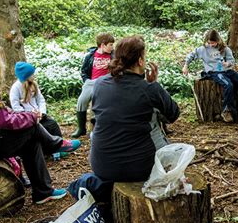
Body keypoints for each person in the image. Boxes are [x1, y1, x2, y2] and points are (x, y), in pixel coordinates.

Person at [0, 43, 81, 204]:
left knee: (31, 140)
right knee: (32, 127)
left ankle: (43, 192)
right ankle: (56, 145)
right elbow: (3, 121)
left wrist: (25, 115)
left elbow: (1, 113)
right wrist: (30, 117)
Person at [74, 35, 179, 202]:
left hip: (101, 165)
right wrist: (155, 85)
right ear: (140, 61)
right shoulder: (149, 89)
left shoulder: (99, 84)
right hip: (139, 169)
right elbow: (173, 114)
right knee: (155, 127)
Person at [182, 29, 238, 123]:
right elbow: (191, 56)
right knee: (228, 85)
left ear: (218, 40)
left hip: (227, 70)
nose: (212, 45)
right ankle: (226, 111)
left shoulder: (225, 49)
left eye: (214, 43)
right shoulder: (202, 49)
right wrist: (185, 66)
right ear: (206, 41)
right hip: (214, 72)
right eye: (210, 43)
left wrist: (227, 64)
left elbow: (231, 61)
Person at [71, 32, 115, 137]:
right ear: (103, 45)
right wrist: (86, 80)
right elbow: (84, 71)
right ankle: (81, 128)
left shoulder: (113, 55)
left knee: (99, 102)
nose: (112, 47)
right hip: (91, 82)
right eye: (110, 45)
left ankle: (96, 128)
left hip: (106, 82)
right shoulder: (91, 55)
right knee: (81, 101)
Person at [10, 61, 62, 137]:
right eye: (32, 74)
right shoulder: (15, 88)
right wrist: (29, 115)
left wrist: (42, 112)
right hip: (28, 119)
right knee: (40, 130)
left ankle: (60, 144)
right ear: (25, 76)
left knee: (52, 124)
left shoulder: (34, 85)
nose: (34, 75)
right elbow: (16, 106)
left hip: (39, 116)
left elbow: (40, 100)